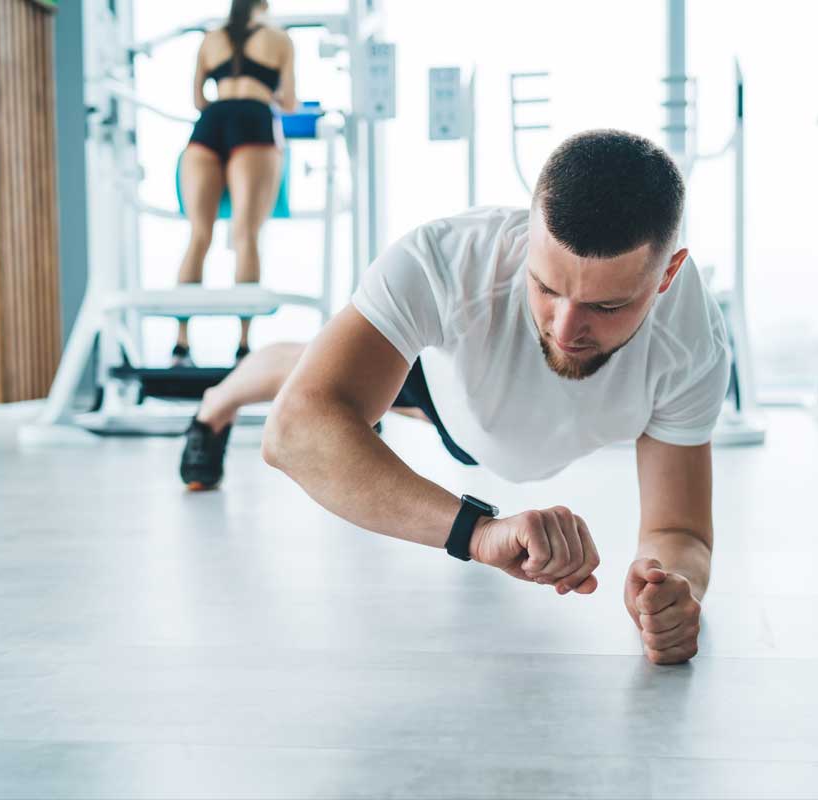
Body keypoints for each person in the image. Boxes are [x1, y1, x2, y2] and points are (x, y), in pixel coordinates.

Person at [180, 130, 731, 665]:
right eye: (545, 287)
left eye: (606, 307)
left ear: (668, 274)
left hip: (502, 422)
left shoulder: (693, 342)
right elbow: (295, 431)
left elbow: (677, 530)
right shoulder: (446, 261)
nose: (566, 329)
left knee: (330, 391)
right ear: (530, 234)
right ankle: (215, 406)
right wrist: (479, 533)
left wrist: (670, 585)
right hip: (447, 389)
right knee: (306, 375)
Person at [172, 0, 297, 367]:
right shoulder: (279, 38)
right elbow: (289, 101)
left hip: (210, 124)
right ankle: (243, 348)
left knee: (198, 236)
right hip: (254, 121)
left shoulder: (211, 38)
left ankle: (181, 345)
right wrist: (264, 93)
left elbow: (198, 99)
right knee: (245, 234)